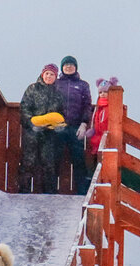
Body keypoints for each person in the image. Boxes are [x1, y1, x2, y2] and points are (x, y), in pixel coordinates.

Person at [18, 64, 65, 194]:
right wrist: (31, 124)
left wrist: (59, 127)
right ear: (42, 74)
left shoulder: (58, 94)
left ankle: (49, 193)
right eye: (47, 74)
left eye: (52, 74)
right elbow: (24, 108)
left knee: (49, 163)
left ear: (56, 77)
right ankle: (23, 191)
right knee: (28, 162)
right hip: (32, 132)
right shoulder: (32, 89)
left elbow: (62, 113)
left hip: (49, 134)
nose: (49, 76)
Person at [52, 56, 93, 195]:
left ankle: (82, 193)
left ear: (76, 67)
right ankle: (50, 191)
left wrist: (84, 123)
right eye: (66, 65)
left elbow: (87, 105)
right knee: (54, 159)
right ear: (62, 67)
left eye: (71, 65)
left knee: (79, 160)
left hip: (76, 127)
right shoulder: (56, 83)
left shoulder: (83, 85)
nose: (69, 67)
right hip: (58, 127)